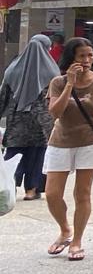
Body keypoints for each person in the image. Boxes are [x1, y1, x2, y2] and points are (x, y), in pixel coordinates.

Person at [43, 37, 93, 261]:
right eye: (81, 56)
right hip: (60, 142)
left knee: (82, 193)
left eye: (90, 55)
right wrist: (70, 83)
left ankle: (77, 240)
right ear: (71, 58)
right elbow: (55, 112)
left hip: (90, 142)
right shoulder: (58, 82)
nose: (87, 60)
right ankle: (65, 230)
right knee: (52, 194)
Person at [0, 34, 59, 200]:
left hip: (16, 121)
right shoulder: (52, 71)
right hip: (41, 122)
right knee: (37, 155)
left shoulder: (12, 69)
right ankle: (31, 190)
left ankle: (8, 187)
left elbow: (3, 96)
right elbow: (57, 98)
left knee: (13, 154)